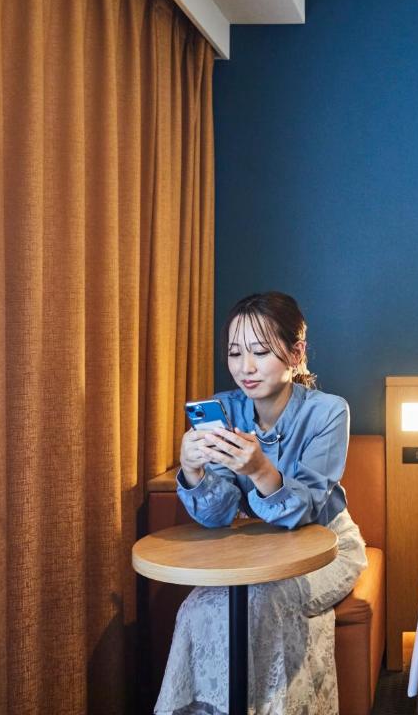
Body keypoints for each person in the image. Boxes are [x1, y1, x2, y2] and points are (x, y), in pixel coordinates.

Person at [155, 291, 367, 715]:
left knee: (263, 603)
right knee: (199, 604)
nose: (245, 368)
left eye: (260, 352)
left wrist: (259, 470)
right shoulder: (225, 408)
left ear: (296, 351)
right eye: (235, 353)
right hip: (253, 548)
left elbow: (306, 509)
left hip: (324, 548)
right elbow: (215, 519)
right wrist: (193, 471)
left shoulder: (328, 412)